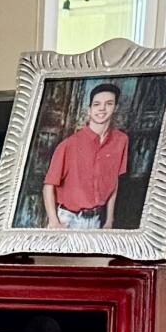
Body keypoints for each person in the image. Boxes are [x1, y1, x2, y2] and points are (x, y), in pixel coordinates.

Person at [41, 82, 136, 231]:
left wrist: (109, 220)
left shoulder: (121, 140)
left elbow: (113, 182)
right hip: (68, 219)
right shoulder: (69, 145)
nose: (102, 109)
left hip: (97, 220)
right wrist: (54, 222)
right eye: (97, 104)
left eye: (109, 104)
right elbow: (48, 186)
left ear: (116, 107)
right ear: (89, 110)